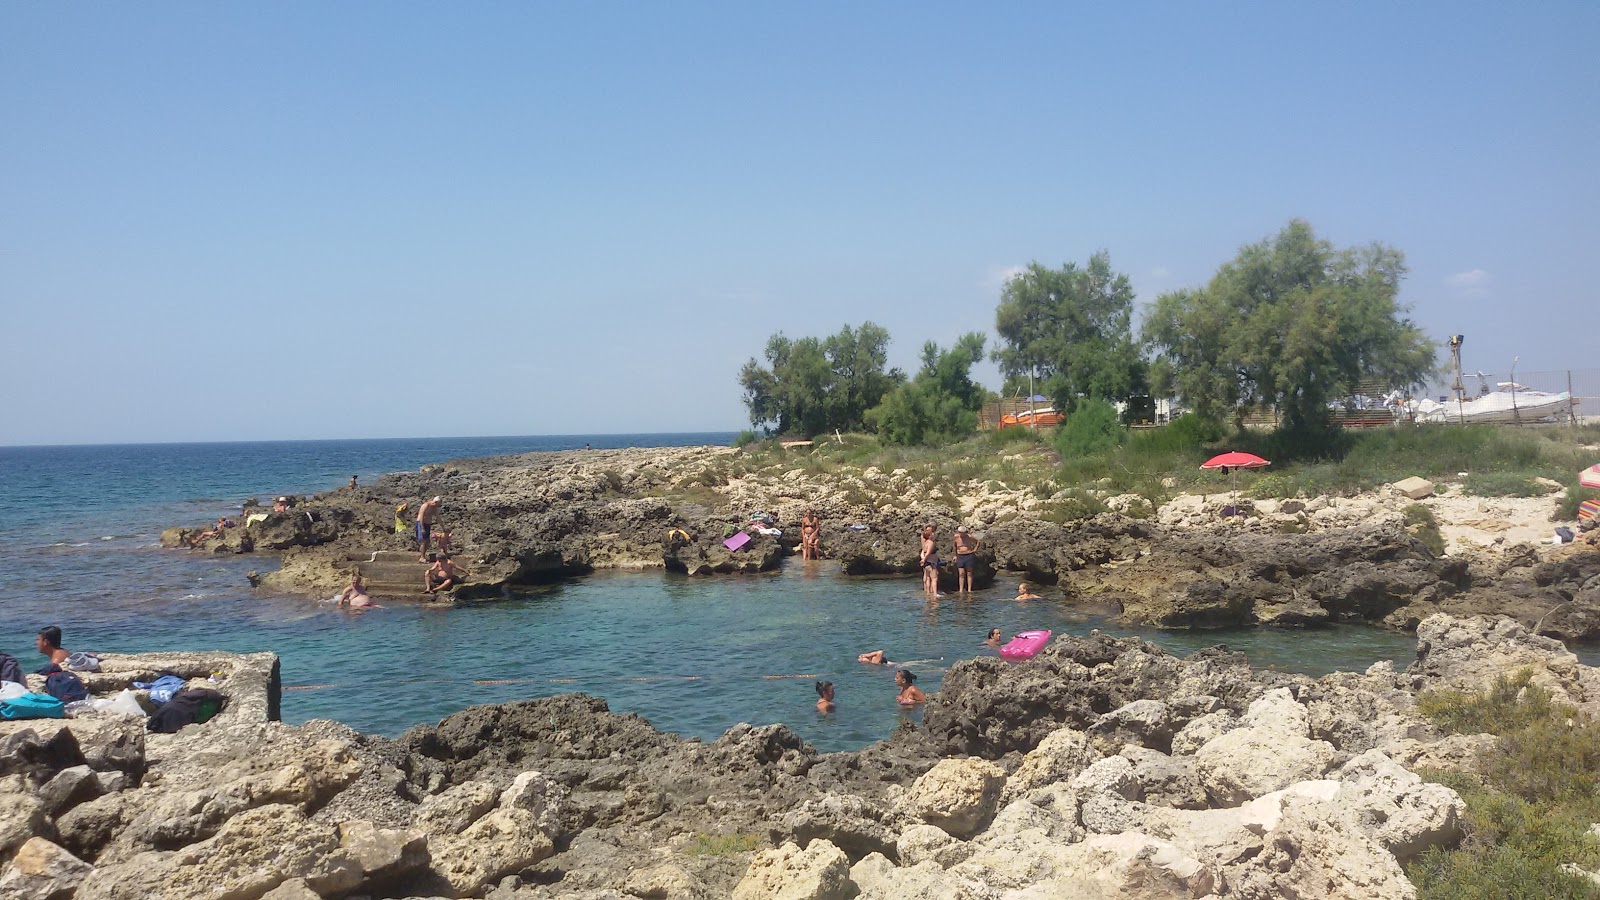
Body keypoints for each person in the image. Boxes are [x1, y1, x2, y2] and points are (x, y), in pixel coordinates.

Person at [952, 525, 979, 593]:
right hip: (960, 556)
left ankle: (969, 589)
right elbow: (955, 546)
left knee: (969, 573)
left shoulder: (969, 537)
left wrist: (975, 549)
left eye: (963, 532)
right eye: (960, 532)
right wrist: (955, 555)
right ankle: (961, 589)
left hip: (969, 555)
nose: (961, 534)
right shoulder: (956, 537)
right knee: (961, 573)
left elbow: (978, 541)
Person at [415, 496, 442, 561]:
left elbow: (438, 518)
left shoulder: (435, 508)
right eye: (438, 504)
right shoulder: (425, 505)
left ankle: (423, 555)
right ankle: (422, 557)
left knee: (427, 541)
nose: (438, 506)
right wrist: (422, 528)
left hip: (428, 524)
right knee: (423, 541)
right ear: (435, 502)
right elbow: (421, 516)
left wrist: (443, 527)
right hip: (421, 523)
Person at [919, 525, 940, 595]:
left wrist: (922, 559)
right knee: (934, 578)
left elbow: (922, 552)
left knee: (927, 577)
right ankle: (935, 594)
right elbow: (928, 553)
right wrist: (924, 559)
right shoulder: (930, 543)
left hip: (926, 562)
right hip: (931, 562)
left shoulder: (925, 543)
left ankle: (928, 592)